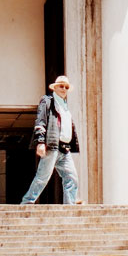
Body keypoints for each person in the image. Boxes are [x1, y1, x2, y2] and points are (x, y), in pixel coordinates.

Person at [21, 75, 82, 204]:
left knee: (72, 178)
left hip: (65, 149)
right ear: (54, 87)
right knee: (42, 177)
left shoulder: (65, 106)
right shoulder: (47, 101)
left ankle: (70, 205)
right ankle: (27, 202)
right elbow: (41, 120)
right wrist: (40, 142)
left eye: (66, 87)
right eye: (61, 86)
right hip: (52, 145)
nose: (64, 89)